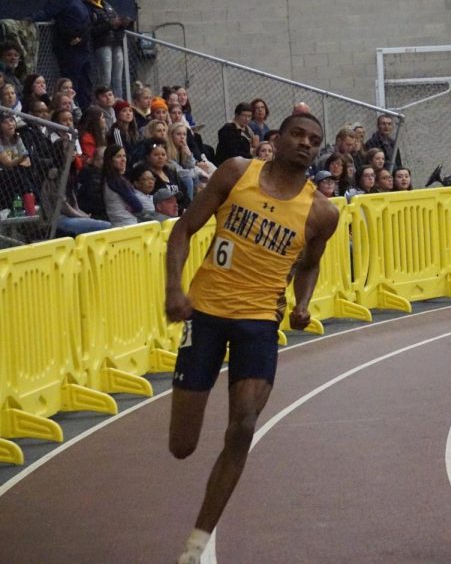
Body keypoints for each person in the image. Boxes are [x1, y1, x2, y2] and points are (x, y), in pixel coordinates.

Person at [165, 111, 338, 564]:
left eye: (314, 140)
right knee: (182, 446)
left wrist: (302, 303)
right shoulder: (237, 173)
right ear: (277, 139)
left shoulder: (322, 211)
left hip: (259, 322)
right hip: (204, 314)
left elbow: (311, 262)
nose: (305, 143)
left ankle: (196, 544)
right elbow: (184, 228)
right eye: (297, 135)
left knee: (243, 425)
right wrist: (174, 288)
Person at [30, 0, 93, 108]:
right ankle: (71, 108)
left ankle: (85, 109)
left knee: (85, 82)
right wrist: (30, 19)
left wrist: (81, 37)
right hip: (69, 47)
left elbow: (87, 21)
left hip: (82, 46)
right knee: (71, 82)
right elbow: (46, 13)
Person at [85, 0, 131, 99]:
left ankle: (118, 100)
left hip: (115, 42)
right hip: (102, 43)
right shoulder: (87, 7)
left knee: (118, 76)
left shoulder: (107, 5)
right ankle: (103, 100)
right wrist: (110, 24)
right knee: (106, 75)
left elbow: (116, 20)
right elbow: (91, 30)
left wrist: (122, 23)